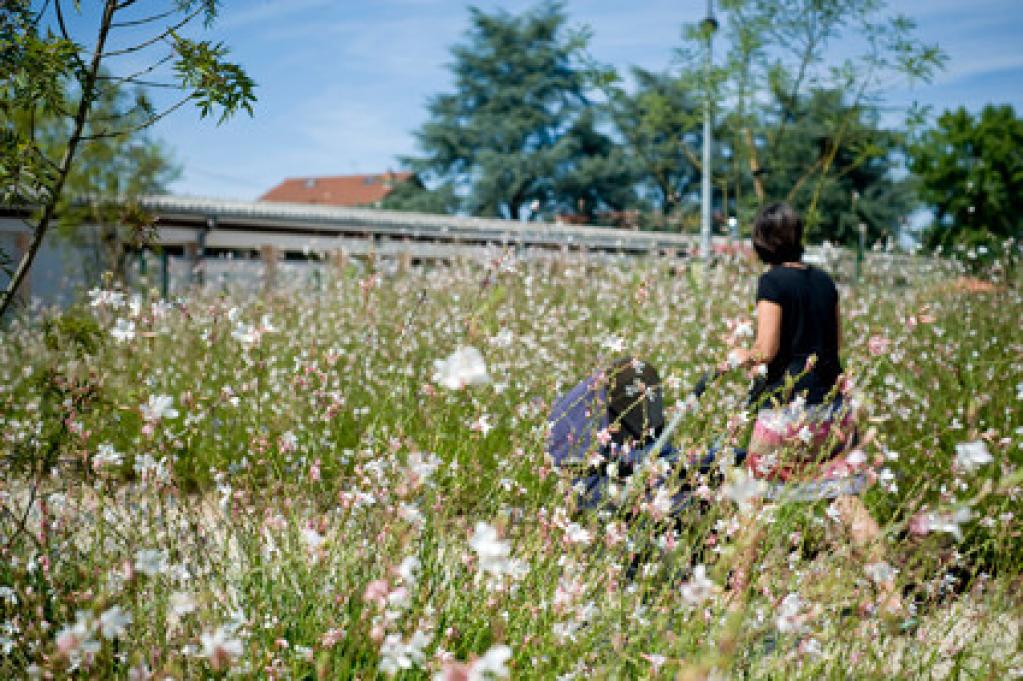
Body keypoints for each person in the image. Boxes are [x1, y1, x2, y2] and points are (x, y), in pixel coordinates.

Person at [725, 203, 901, 614]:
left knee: (752, 501)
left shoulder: (772, 283)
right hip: (831, 411)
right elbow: (834, 346)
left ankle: (736, 600)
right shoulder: (824, 282)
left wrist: (739, 355)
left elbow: (766, 350)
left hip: (786, 414)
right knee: (848, 503)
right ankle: (891, 596)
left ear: (761, 241)